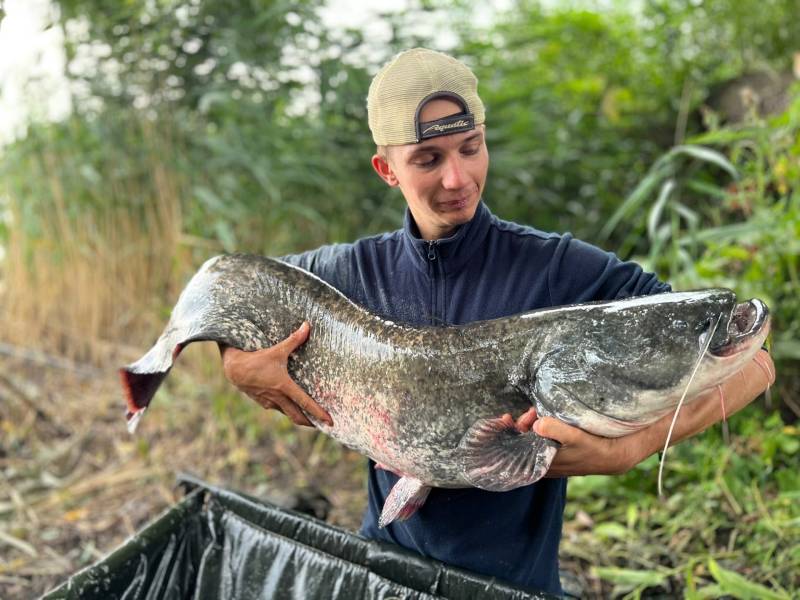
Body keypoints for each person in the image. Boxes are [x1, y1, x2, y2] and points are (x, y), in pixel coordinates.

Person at [220, 48, 775, 596]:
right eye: (428, 159)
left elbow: (755, 362)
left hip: (513, 584)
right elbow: (230, 285)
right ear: (387, 169)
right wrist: (238, 364)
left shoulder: (557, 268)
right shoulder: (352, 271)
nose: (458, 178)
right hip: (384, 566)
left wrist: (631, 448)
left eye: (471, 147)